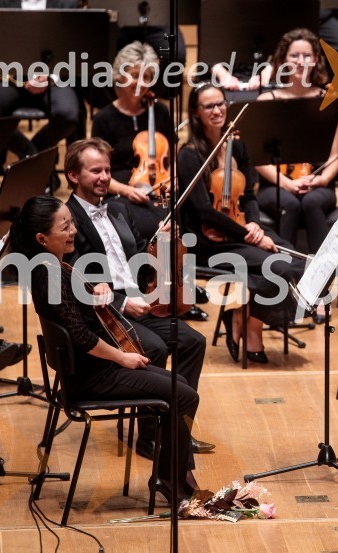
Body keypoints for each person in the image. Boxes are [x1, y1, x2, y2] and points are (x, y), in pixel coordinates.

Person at [9, 195, 199, 501]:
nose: (73, 231)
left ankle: (173, 474)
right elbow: (81, 337)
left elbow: (76, 311)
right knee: (185, 395)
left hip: (93, 371)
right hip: (93, 378)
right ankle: (170, 477)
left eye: (72, 222)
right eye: (66, 226)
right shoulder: (50, 275)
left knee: (184, 389)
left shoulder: (53, 266)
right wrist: (123, 358)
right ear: (43, 238)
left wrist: (96, 290)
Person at [62, 138, 213, 461]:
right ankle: (149, 437)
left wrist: (160, 241)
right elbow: (73, 275)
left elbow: (139, 253)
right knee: (155, 347)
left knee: (193, 341)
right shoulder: (68, 219)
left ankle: (178, 429)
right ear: (74, 175)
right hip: (107, 314)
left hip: (140, 303)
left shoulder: (117, 208)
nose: (104, 177)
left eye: (106, 170)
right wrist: (120, 302)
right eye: (95, 171)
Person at [177, 82, 305, 363]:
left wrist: (256, 225)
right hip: (207, 240)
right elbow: (204, 211)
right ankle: (249, 328)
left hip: (241, 229)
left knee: (296, 259)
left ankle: (242, 316)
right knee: (278, 265)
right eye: (208, 106)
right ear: (196, 113)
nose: (217, 110)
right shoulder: (189, 155)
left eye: (220, 104)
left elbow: (248, 196)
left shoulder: (237, 145)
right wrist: (249, 234)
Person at [254, 28, 338, 253]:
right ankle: (283, 275)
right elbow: (259, 160)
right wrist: (286, 183)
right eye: (294, 55)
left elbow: (334, 157)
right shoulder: (267, 100)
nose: (300, 62)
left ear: (316, 60)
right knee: (290, 204)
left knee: (311, 202)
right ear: (283, 59)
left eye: (307, 56)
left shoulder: (328, 100)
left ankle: (321, 278)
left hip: (318, 185)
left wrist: (319, 181)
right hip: (274, 185)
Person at [0, 0, 80, 167]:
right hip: (12, 78)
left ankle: (31, 159)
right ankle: (34, 157)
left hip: (53, 78)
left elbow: (76, 40)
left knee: (69, 114)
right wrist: (9, 40)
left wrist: (50, 76)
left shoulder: (68, 3)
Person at [90, 41, 174, 242]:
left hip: (160, 190)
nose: (142, 83)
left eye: (147, 77)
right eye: (135, 75)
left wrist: (173, 176)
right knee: (145, 227)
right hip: (120, 191)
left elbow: (174, 153)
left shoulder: (160, 111)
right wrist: (126, 190)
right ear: (120, 76)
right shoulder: (104, 118)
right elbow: (95, 171)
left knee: (182, 222)